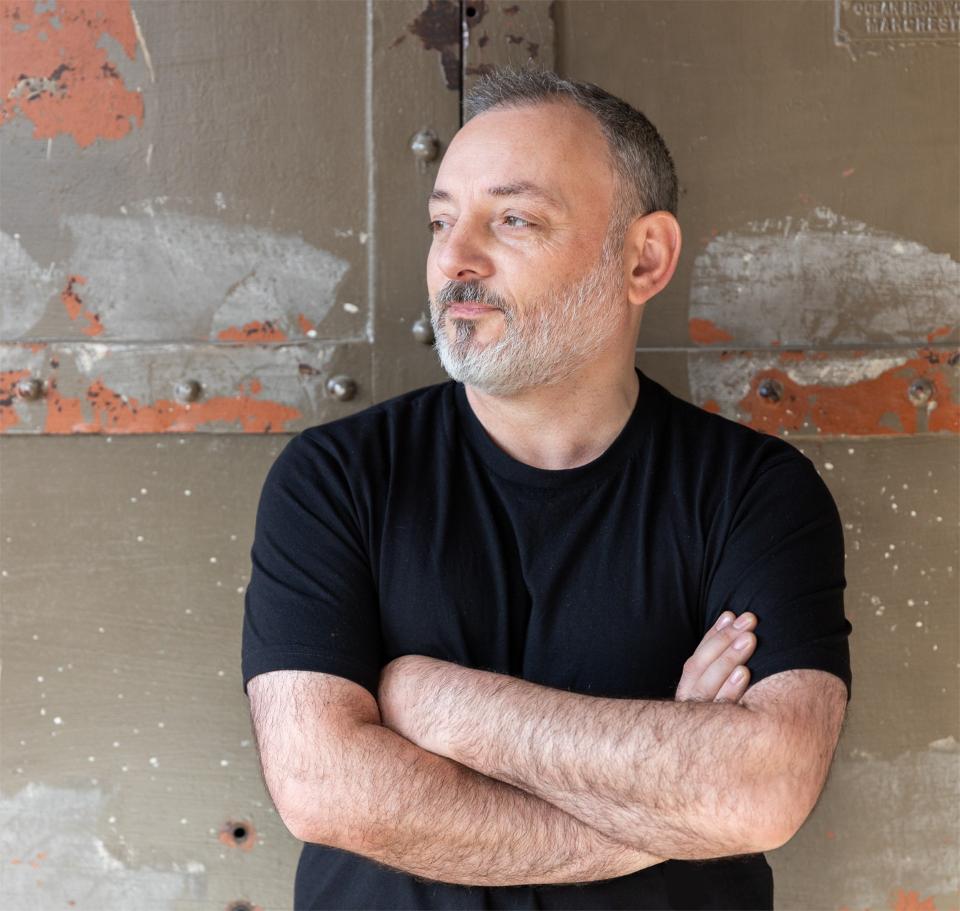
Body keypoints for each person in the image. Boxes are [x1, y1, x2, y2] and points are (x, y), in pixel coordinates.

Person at [241, 67, 853, 910]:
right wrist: (669, 802)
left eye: (513, 219)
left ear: (644, 257)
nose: (453, 258)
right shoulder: (334, 478)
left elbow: (762, 790)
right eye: (442, 220)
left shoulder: (756, 492)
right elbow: (324, 788)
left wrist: (438, 705)